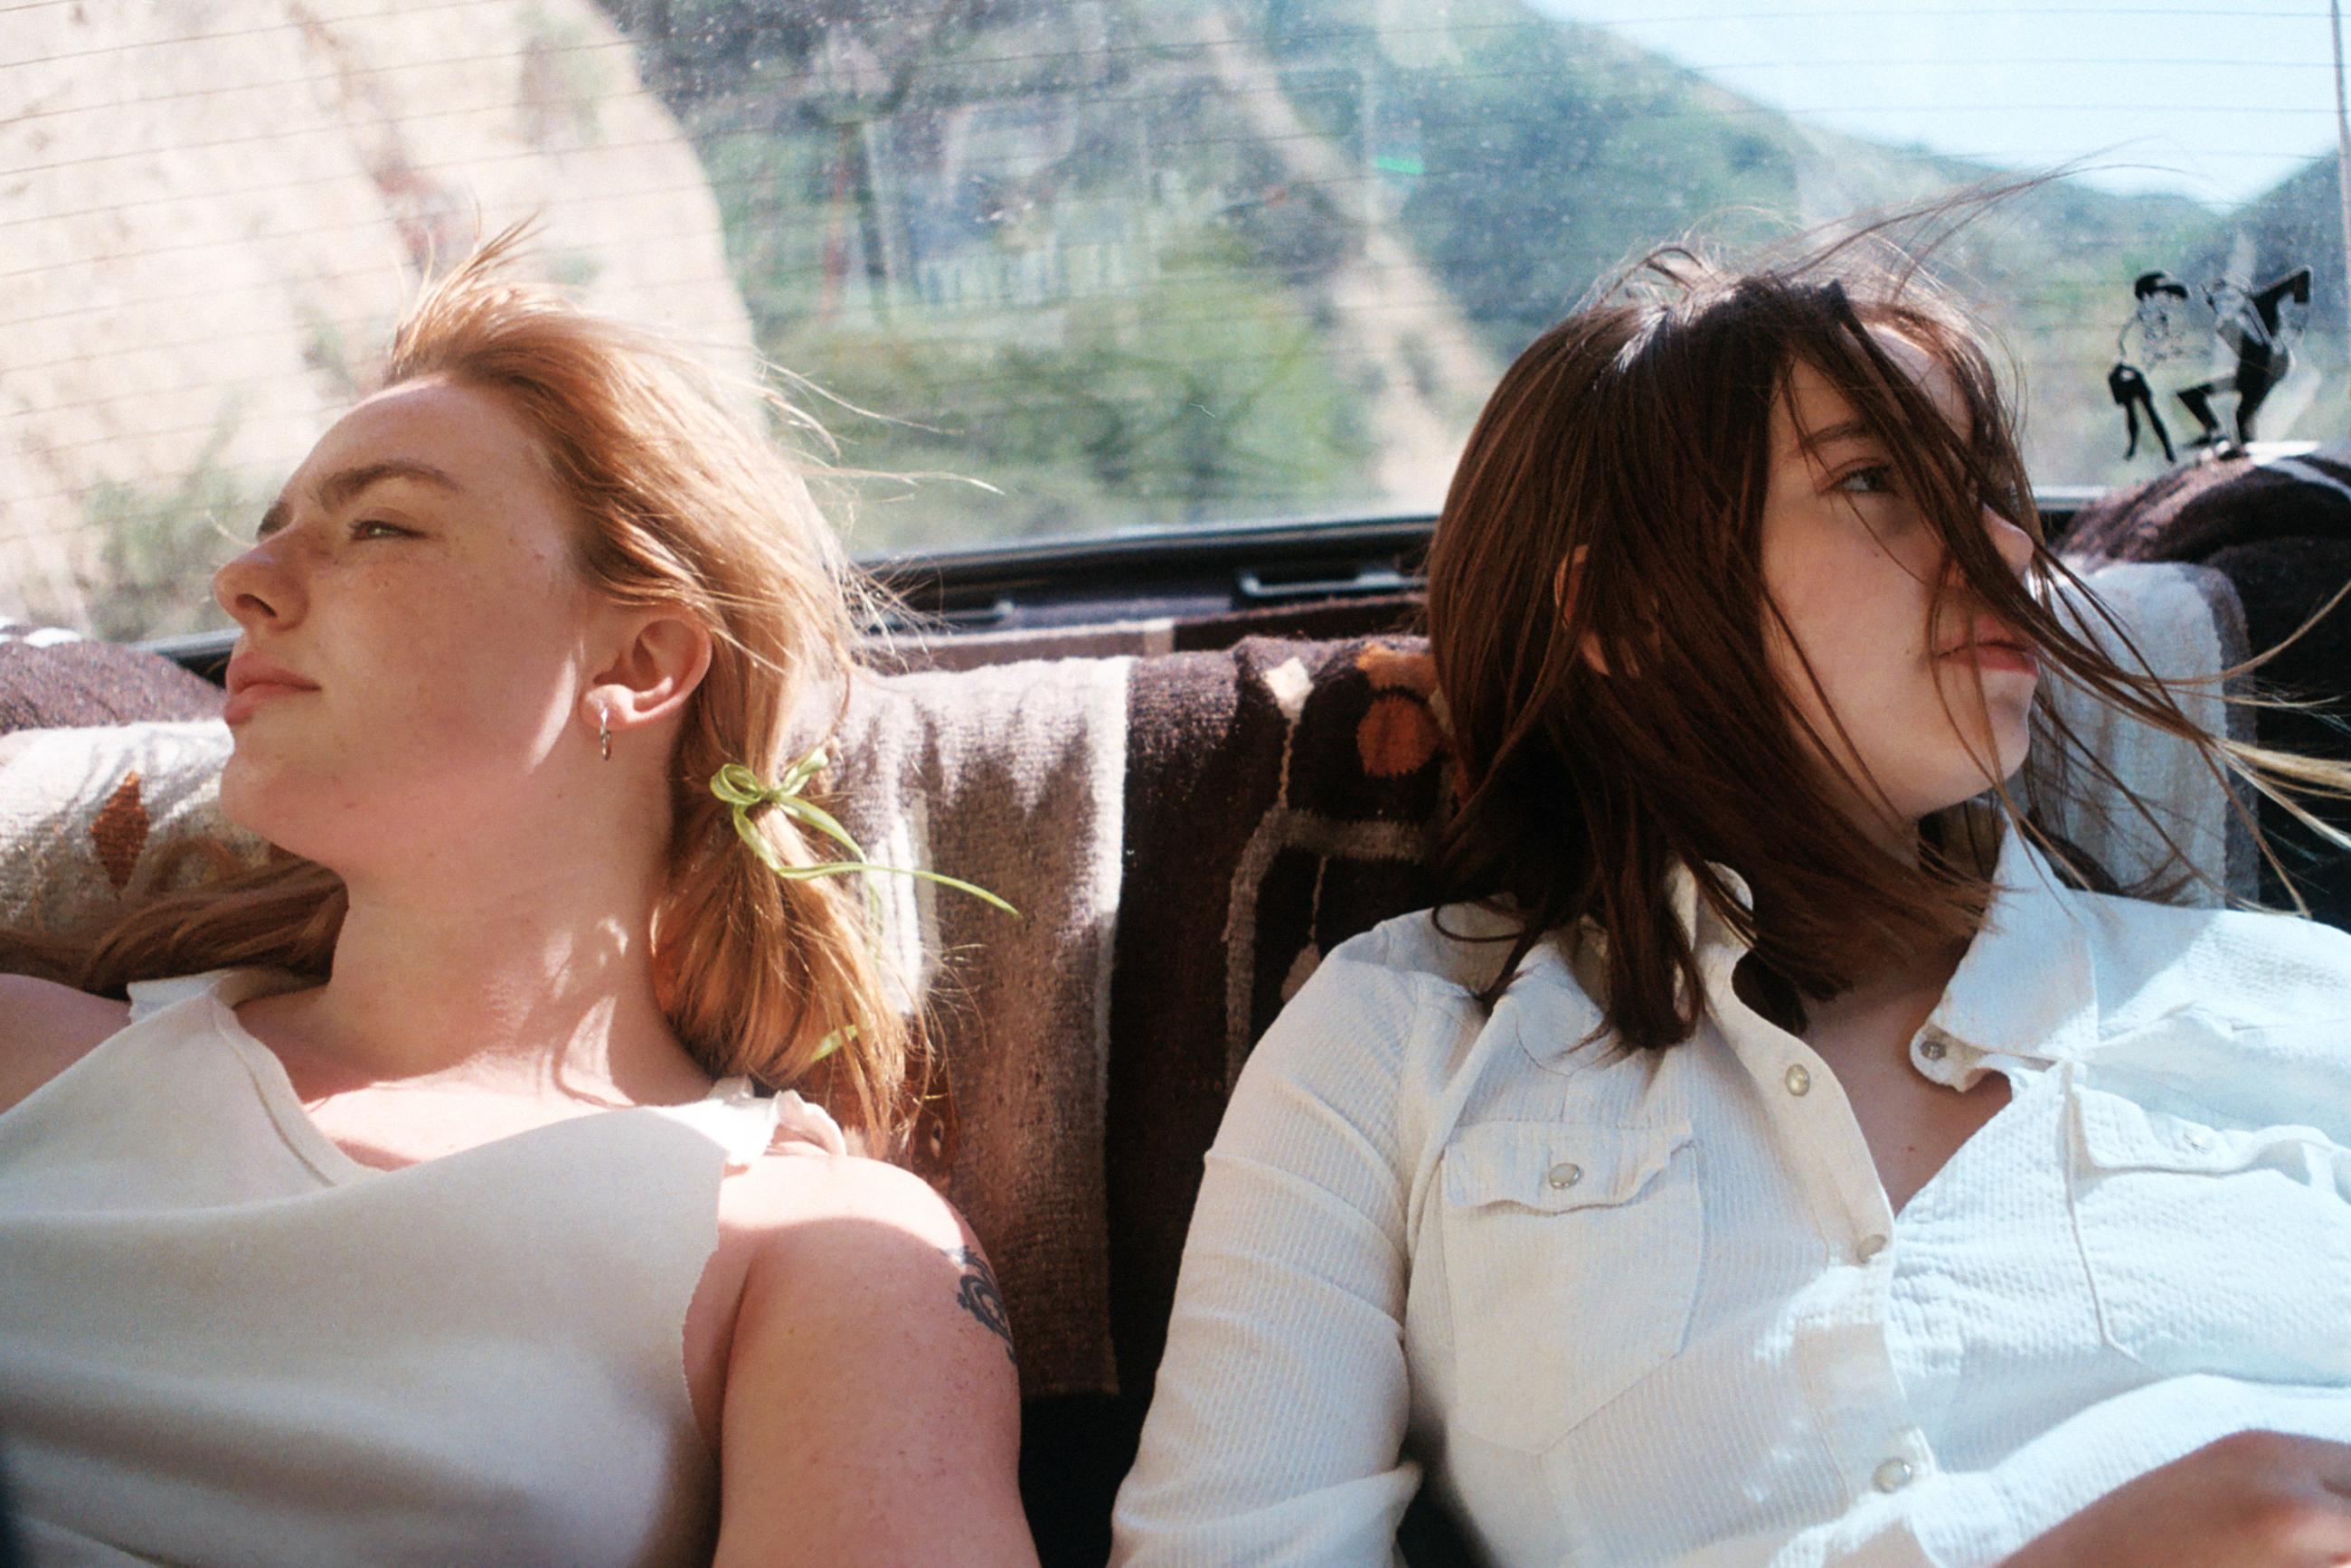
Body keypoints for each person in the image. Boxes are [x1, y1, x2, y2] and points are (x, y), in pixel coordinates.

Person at [1111, 229, 2351, 1566]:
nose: (2005, 542)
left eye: (1995, 492)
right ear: (1627, 610)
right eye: (1875, 480)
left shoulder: (2297, 996)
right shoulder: (1397, 1044)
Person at [0, 231, 1039, 1567]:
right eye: (270, 534)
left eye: (380, 525)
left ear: (640, 659)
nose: (242, 586)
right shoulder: (31, 1056)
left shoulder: (813, 1245)